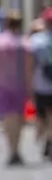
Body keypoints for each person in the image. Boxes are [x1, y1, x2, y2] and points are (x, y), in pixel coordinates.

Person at [0, 10, 34, 166]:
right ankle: (16, 149)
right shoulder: (25, 43)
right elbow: (29, 68)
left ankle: (11, 149)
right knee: (19, 119)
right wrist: (30, 86)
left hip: (2, 86)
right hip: (19, 85)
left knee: (7, 119)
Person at [27, 16, 52, 160]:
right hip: (43, 83)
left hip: (41, 84)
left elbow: (29, 65)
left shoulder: (36, 40)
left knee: (42, 116)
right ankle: (49, 139)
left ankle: (45, 138)